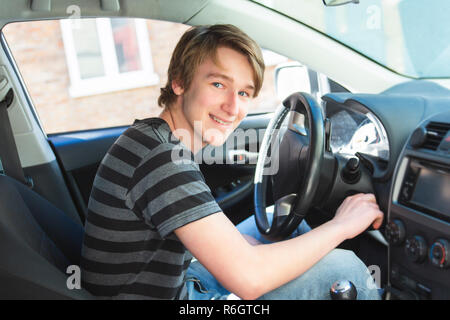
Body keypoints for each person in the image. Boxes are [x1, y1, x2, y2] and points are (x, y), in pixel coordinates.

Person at [80, 24, 383, 300]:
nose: (232, 107)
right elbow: (249, 280)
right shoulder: (162, 162)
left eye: (243, 92)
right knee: (345, 269)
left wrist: (249, 253)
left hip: (179, 280)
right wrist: (342, 226)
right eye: (218, 85)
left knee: (288, 228)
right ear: (179, 82)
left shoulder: (150, 138)